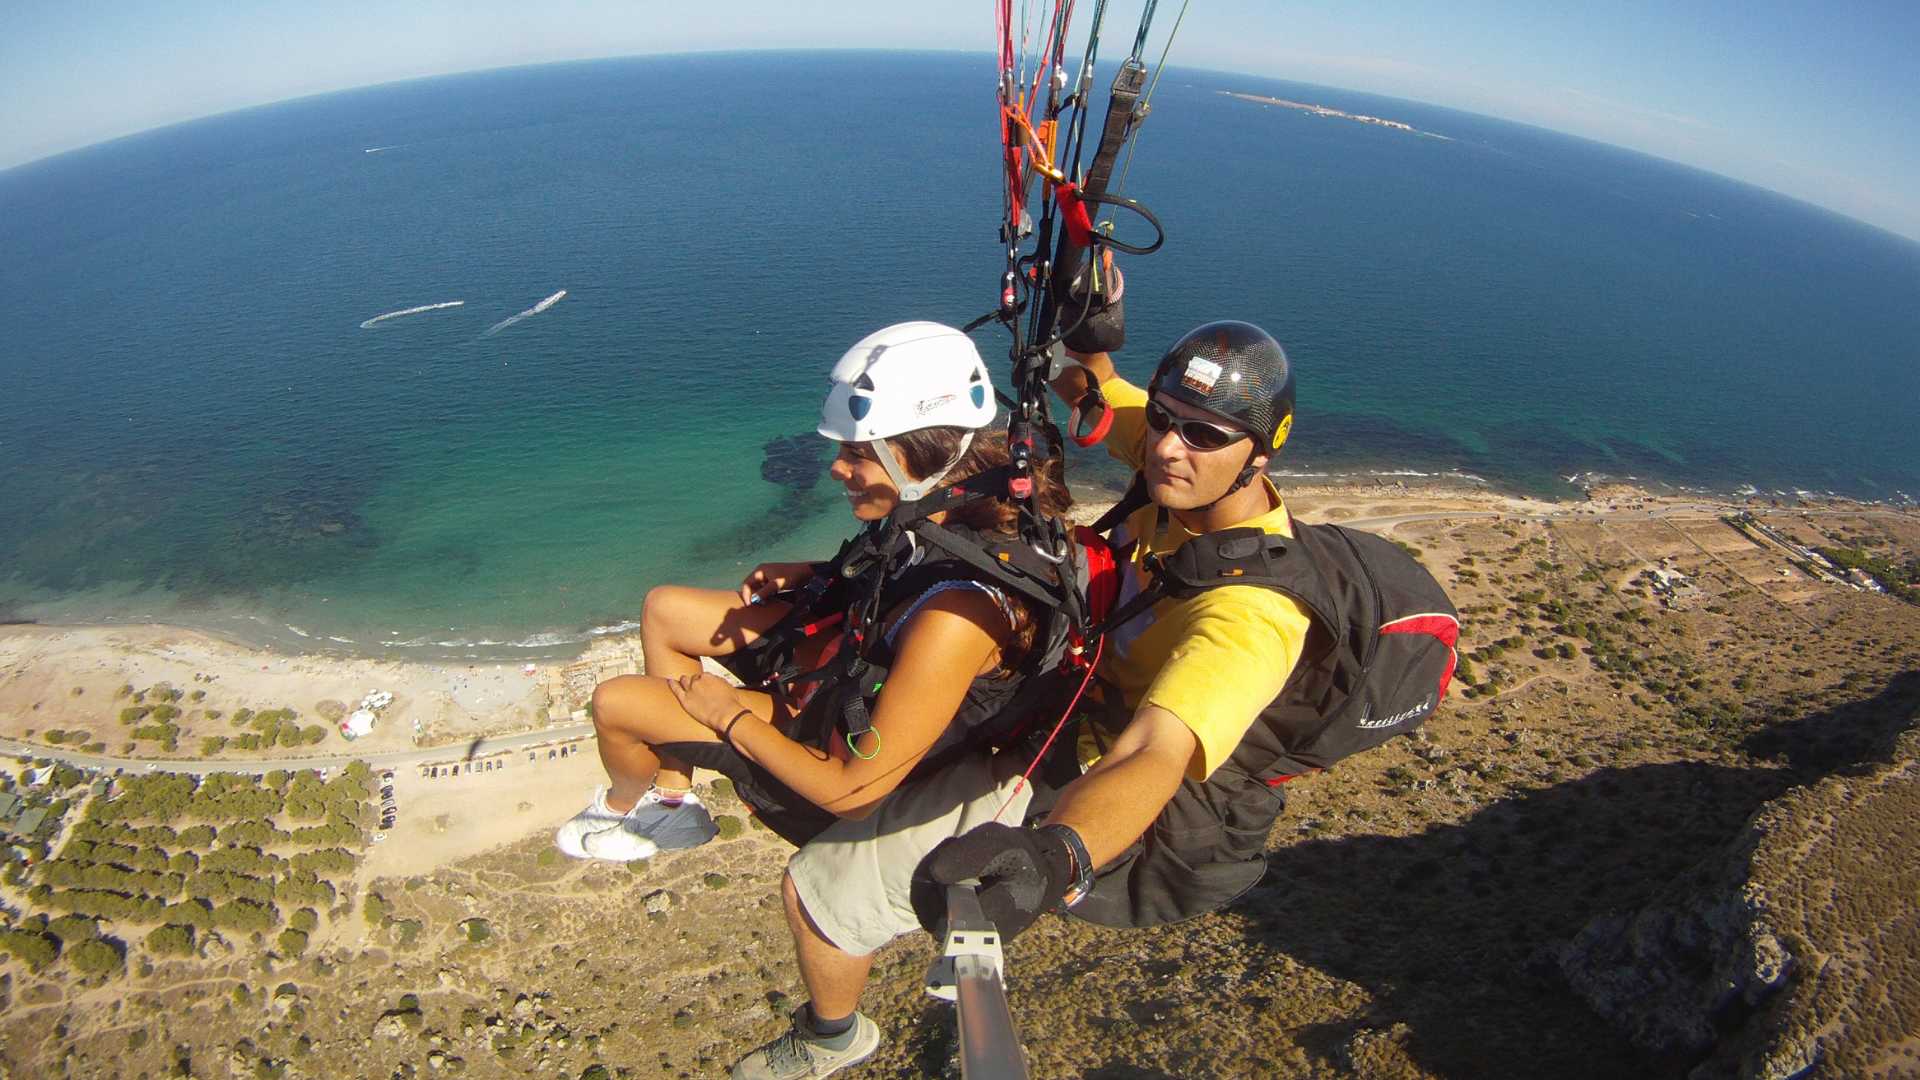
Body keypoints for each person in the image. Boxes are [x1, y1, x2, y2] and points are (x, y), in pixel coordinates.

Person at [552, 321, 1072, 1077]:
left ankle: (627, 804)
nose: (838, 469)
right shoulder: (969, 499)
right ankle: (674, 800)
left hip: (840, 750)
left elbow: (854, 790)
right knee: (666, 607)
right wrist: (808, 575)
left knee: (617, 703)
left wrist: (728, 716)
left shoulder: (962, 617)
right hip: (855, 666)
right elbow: (907, 566)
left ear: (920, 454)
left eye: (859, 454)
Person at [906, 316, 1315, 940]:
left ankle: (834, 1029)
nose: (1166, 448)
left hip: (1086, 756)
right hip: (1064, 667)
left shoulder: (1252, 614)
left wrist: (1056, 857)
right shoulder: (1184, 469)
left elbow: (1157, 749)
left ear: (1260, 454)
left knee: (835, 884)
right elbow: (1094, 384)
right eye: (1160, 419)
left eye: (1202, 434)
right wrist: (1087, 292)